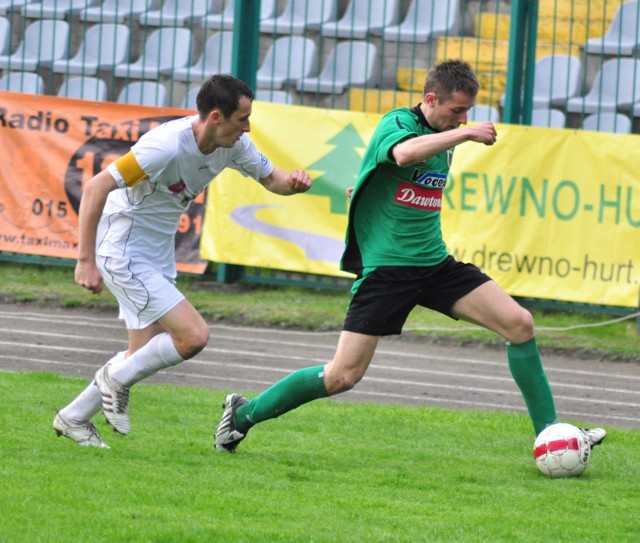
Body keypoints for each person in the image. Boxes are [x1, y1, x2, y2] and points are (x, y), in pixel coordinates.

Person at [215, 59, 606, 454]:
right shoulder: (399, 123)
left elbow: (392, 179)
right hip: (387, 272)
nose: (462, 118)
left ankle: (552, 434)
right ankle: (242, 416)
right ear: (430, 99)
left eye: (468, 112)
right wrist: (467, 134)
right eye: (457, 110)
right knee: (342, 376)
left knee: (520, 324)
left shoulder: (444, 133)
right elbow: (402, 155)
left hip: (435, 265)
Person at [53, 74, 313, 448]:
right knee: (193, 336)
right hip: (123, 248)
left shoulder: (235, 145)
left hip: (155, 251)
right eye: (242, 118)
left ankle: (74, 417)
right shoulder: (165, 147)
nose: (248, 126)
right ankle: (115, 380)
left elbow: (274, 180)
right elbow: (95, 187)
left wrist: (296, 183)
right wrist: (85, 261)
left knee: (137, 355)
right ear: (215, 118)